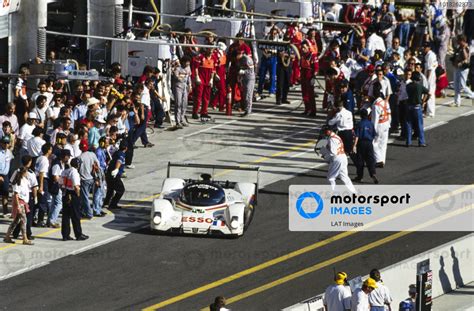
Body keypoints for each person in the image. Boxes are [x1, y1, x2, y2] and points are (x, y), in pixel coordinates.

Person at [320, 126, 356, 193]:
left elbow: (333, 152)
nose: (323, 133)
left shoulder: (332, 139)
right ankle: (354, 192)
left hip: (338, 159)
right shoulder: (337, 137)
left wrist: (325, 155)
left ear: (328, 131)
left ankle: (333, 194)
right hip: (343, 157)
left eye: (324, 132)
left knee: (330, 178)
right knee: (344, 177)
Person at [3, 167, 34, 245]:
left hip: (24, 202)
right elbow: (16, 195)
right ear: (23, 173)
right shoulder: (18, 182)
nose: (27, 173)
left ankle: (7, 236)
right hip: (20, 203)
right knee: (24, 220)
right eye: (26, 172)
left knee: (16, 221)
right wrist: (18, 206)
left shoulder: (25, 180)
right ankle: (25, 238)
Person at [61, 157, 89, 241]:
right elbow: (76, 187)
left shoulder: (65, 171)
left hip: (65, 194)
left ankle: (65, 235)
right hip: (73, 195)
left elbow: (60, 183)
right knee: (76, 215)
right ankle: (78, 234)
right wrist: (78, 195)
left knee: (66, 216)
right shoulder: (74, 172)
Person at [353, 109, 378, 184]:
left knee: (360, 160)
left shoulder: (359, 124)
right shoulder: (371, 124)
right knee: (370, 159)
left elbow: (356, 136)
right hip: (369, 143)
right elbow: (374, 134)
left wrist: (354, 145)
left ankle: (360, 177)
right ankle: (373, 173)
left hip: (361, 143)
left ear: (360, 115)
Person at [405, 72, 430, 147]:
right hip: (417, 107)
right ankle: (421, 141)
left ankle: (408, 142)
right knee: (419, 125)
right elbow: (429, 93)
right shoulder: (419, 86)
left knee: (409, 124)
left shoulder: (408, 86)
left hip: (409, 106)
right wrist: (424, 101)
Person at [371, 82, 391, 168]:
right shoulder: (385, 102)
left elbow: (374, 120)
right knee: (383, 143)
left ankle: (379, 160)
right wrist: (389, 124)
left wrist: (372, 130)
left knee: (374, 143)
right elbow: (389, 114)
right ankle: (383, 160)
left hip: (379, 125)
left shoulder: (376, 105)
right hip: (386, 123)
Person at [78, 141, 100, 219]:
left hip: (84, 179)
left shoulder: (80, 157)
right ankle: (83, 211)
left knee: (85, 197)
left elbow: (78, 169)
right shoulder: (92, 154)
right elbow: (98, 165)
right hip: (92, 178)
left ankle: (89, 214)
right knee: (86, 197)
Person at [193, 48, 217, 120]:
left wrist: (212, 79)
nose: (210, 52)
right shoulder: (200, 57)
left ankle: (204, 112)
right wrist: (197, 77)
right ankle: (195, 112)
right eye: (209, 50)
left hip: (208, 79)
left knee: (206, 97)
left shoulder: (213, 58)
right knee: (198, 97)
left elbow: (213, 70)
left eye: (212, 51)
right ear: (206, 50)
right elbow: (196, 67)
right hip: (201, 79)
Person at [451, 35, 474, 107]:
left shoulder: (466, 47)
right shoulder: (459, 47)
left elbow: (466, 58)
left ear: (463, 41)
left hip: (463, 69)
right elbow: (455, 55)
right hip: (457, 68)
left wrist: (463, 49)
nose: (458, 42)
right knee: (456, 86)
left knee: (463, 86)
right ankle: (457, 102)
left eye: (459, 41)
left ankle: (473, 95)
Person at [104, 140, 127, 210]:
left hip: (108, 174)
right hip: (114, 175)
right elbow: (119, 161)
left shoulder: (116, 152)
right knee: (121, 190)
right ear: (126, 148)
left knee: (110, 190)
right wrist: (116, 169)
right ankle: (113, 204)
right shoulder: (121, 154)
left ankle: (106, 203)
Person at [172, 56, 192, 127]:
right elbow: (176, 76)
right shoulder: (178, 68)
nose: (188, 63)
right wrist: (183, 76)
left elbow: (189, 77)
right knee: (178, 103)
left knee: (184, 103)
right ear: (183, 62)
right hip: (178, 86)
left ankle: (182, 119)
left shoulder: (188, 68)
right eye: (187, 62)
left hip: (185, 87)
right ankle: (177, 121)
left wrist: (190, 85)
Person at [300, 41, 318, 116]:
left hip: (309, 77)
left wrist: (313, 77)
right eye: (302, 47)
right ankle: (307, 109)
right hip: (303, 76)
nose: (303, 49)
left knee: (310, 94)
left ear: (308, 47)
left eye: (304, 47)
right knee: (304, 94)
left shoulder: (313, 56)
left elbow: (316, 68)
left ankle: (313, 111)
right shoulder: (302, 56)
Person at [236, 49, 256, 117]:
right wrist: (239, 76)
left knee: (248, 94)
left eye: (238, 54)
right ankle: (246, 109)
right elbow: (240, 68)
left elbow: (251, 70)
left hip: (250, 78)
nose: (237, 56)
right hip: (244, 78)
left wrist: (244, 72)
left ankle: (248, 110)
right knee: (245, 94)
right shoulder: (239, 59)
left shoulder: (247, 59)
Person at [0, 135, 14, 217]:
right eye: (4, 143)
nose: (5, 144)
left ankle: (5, 211)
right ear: (1, 143)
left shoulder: (9, 152)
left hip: (5, 175)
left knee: (5, 193)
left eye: (7, 143)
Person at [423, 43, 438, 117]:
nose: (424, 48)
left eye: (425, 47)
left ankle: (430, 112)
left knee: (430, 93)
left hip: (430, 76)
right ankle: (430, 111)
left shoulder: (429, 56)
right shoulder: (432, 54)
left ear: (429, 47)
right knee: (431, 93)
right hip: (432, 75)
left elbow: (429, 69)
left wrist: (426, 79)